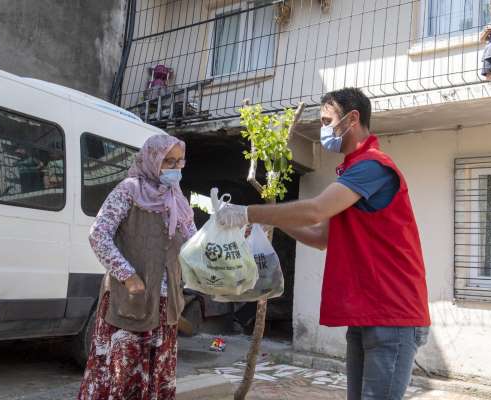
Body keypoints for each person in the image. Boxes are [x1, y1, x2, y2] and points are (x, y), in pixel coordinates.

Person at [216, 88, 431, 400]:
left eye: (326, 120)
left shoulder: (373, 166)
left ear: (352, 118)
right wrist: (273, 221)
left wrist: (246, 213)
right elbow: (321, 237)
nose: (323, 129)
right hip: (368, 311)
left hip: (392, 314)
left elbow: (315, 209)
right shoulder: (352, 171)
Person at [77, 134, 196, 400]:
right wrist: (127, 276)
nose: (174, 169)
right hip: (131, 301)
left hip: (166, 307)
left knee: (156, 377)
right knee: (122, 377)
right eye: (168, 161)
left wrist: (226, 235)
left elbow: (193, 244)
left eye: (179, 162)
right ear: (152, 159)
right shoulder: (129, 190)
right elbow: (98, 234)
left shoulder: (178, 200)